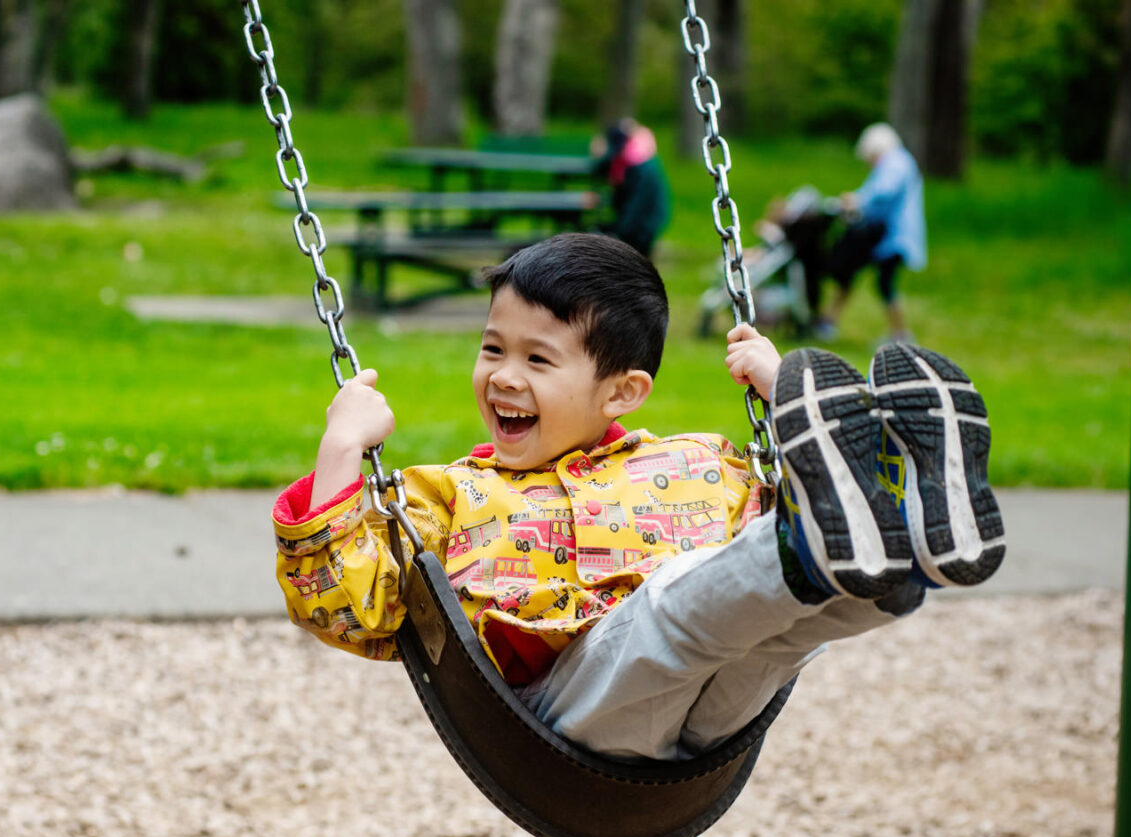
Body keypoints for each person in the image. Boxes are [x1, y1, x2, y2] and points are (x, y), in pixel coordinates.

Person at [273, 233, 1003, 762]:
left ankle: (908, 539)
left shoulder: (701, 465)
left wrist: (783, 396)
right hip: (569, 714)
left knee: (792, 626)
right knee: (667, 614)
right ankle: (827, 539)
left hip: (714, 719)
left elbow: (780, 507)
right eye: (493, 348)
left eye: (538, 358)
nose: (503, 376)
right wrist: (341, 448)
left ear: (622, 391)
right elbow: (349, 604)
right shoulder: (448, 495)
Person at [816, 122, 927, 344]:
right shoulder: (898, 161)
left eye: (870, 157)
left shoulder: (895, 162)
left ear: (875, 150)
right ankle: (828, 322)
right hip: (884, 236)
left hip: (891, 237)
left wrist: (857, 200)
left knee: (883, 283)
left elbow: (884, 191)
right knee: (852, 275)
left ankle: (901, 335)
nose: (870, 163)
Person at [590, 119, 672, 258]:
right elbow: (604, 171)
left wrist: (618, 233)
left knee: (637, 260)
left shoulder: (639, 165)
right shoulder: (628, 160)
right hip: (638, 222)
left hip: (642, 225)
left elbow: (637, 207)